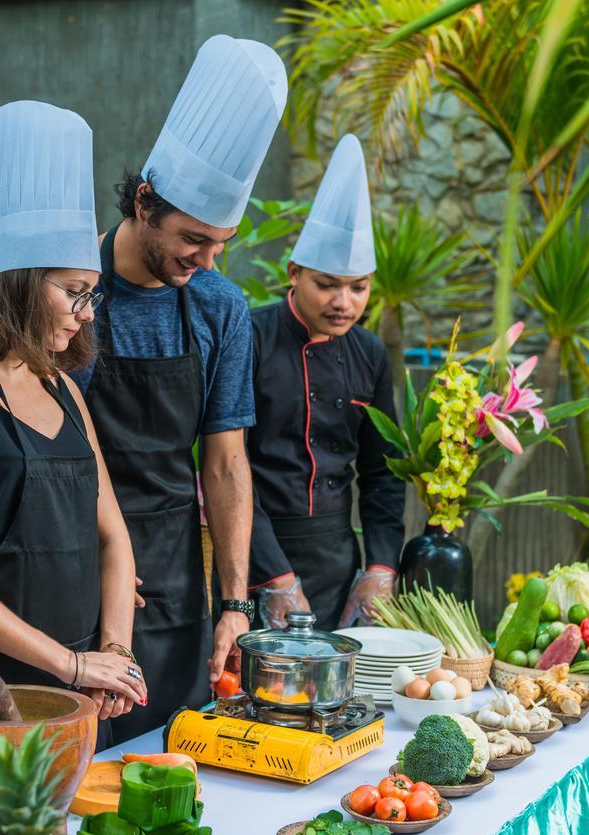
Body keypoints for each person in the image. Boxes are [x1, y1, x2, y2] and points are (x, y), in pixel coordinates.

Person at [0, 101, 147, 815]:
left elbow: (114, 537)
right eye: (73, 292)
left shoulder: (64, 388)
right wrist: (71, 663)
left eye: (92, 294)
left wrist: (115, 656)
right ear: (17, 282)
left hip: (71, 703)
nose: (86, 312)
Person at [72, 34, 288, 742]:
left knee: (170, 760)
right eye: (194, 239)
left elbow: (224, 462)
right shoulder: (73, 294)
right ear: (143, 203)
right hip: (73, 560)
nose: (207, 259)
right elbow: (52, 443)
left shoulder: (220, 308)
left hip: (170, 576)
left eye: (221, 243)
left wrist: (233, 600)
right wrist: (102, 555)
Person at [247, 135, 406, 632]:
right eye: (328, 284)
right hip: (258, 552)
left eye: (358, 287)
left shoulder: (370, 353)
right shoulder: (250, 336)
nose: (344, 302)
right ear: (294, 273)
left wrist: (380, 568)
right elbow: (228, 468)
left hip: (340, 556)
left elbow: (383, 473)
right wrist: (273, 575)